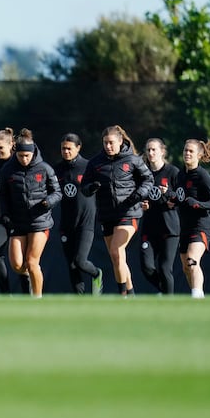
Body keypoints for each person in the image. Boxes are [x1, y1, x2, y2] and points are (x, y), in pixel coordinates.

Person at [82, 125, 153, 296]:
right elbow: (84, 187)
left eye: (111, 143)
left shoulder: (133, 160)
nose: (108, 146)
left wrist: (137, 196)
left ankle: (122, 295)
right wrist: (90, 187)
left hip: (129, 213)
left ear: (120, 142)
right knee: (117, 258)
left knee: (116, 251)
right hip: (107, 215)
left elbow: (148, 180)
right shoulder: (95, 163)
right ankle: (131, 294)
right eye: (105, 143)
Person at [0, 129, 60, 298]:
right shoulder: (8, 170)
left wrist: (48, 202)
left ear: (33, 153)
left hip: (39, 222)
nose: (24, 159)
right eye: (20, 156)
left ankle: (37, 299)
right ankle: (30, 281)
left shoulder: (45, 168)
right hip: (18, 222)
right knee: (17, 265)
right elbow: (1, 194)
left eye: (27, 156)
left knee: (32, 262)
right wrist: (5, 214)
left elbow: (57, 192)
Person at [53, 133, 104, 295]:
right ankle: (80, 299)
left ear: (78, 148)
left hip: (85, 223)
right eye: (63, 148)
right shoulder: (57, 169)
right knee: (72, 265)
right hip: (66, 224)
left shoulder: (88, 166)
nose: (66, 151)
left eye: (69, 148)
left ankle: (97, 273)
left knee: (80, 261)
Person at [171, 139, 210, 299]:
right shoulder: (180, 175)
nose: (187, 154)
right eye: (185, 150)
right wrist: (173, 201)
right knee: (186, 267)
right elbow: (180, 198)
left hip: (200, 226)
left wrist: (197, 204)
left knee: (192, 261)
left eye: (191, 151)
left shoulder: (202, 176)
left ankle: (198, 295)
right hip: (184, 226)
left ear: (199, 155)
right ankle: (197, 298)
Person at [0, 127, 30, 294]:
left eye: (1, 147)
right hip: (0, 216)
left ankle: (27, 292)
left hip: (20, 218)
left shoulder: (20, 160)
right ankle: (6, 294)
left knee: (21, 261)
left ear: (11, 145)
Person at [139, 138, 180, 294]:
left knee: (164, 269)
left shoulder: (173, 172)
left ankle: (169, 303)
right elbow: (138, 196)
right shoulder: (143, 174)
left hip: (169, 229)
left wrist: (169, 195)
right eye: (148, 150)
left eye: (154, 149)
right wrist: (142, 205)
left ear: (162, 151)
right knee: (147, 267)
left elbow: (181, 197)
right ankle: (164, 291)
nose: (150, 153)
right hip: (149, 229)